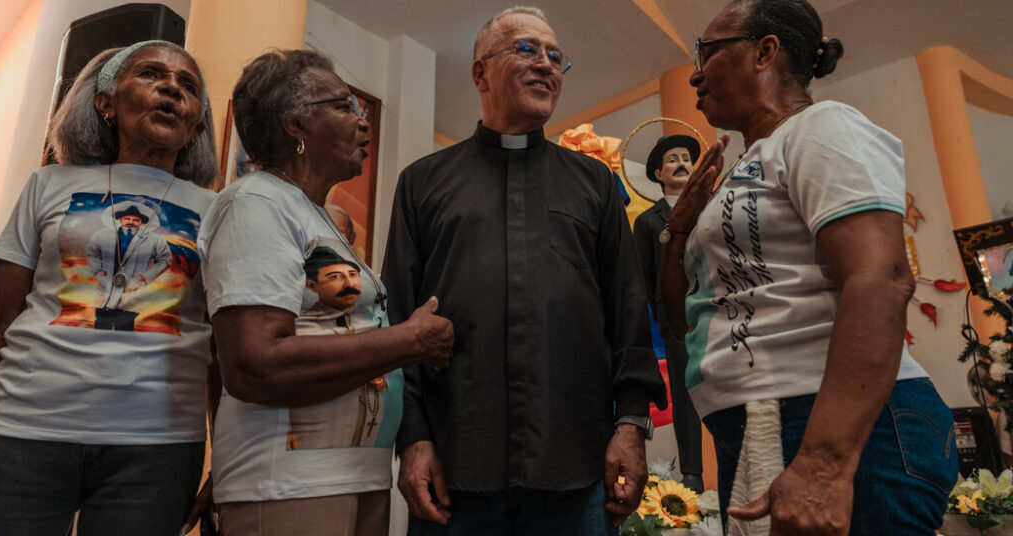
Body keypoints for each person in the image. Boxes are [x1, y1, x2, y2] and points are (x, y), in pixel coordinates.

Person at [661, 0, 957, 534]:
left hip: (829, 422)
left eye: (706, 51)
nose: (695, 73)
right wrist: (679, 229)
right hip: (754, 422)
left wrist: (825, 463)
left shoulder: (822, 127)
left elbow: (882, 278)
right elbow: (683, 322)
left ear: (764, 51)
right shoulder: (741, 170)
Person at [382, 6, 666, 534]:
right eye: (526, 50)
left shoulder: (595, 184)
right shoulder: (423, 182)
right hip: (454, 462)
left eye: (556, 56)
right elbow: (397, 317)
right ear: (479, 72)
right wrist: (413, 436)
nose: (546, 66)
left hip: (576, 461)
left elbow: (628, 309)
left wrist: (630, 424)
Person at [198, 49, 453, 536]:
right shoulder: (256, 203)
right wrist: (409, 341)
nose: (363, 123)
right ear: (295, 125)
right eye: (345, 106)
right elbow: (254, 364)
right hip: (287, 483)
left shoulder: (314, 215)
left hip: (353, 475)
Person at [0, 40, 219, 535]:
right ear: (105, 102)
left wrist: (227, 457)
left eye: (188, 86)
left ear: (197, 125)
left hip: (157, 446)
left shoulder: (218, 210)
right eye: (151, 75)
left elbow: (224, 345)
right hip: (23, 428)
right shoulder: (47, 184)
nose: (171, 89)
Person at [631, 134, 705, 492]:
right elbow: (642, 277)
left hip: (719, 312)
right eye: (672, 159)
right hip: (675, 320)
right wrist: (662, 311)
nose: (681, 163)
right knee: (685, 390)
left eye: (687, 158)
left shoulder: (713, 209)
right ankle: (693, 472)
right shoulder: (648, 222)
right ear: (659, 173)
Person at [86, 201, 173, 329]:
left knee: (125, 330)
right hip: (106, 287)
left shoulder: (155, 239)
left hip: (132, 290)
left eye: (135, 219)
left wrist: (143, 278)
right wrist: (98, 271)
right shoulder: (101, 235)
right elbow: (92, 254)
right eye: (127, 218)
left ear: (141, 222)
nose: (130, 221)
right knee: (100, 327)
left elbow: (165, 260)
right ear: (120, 219)